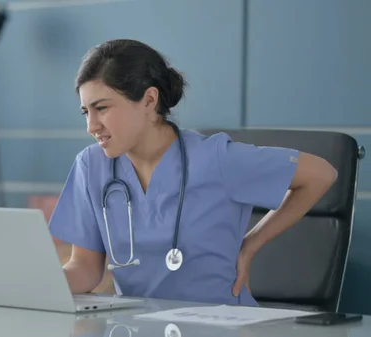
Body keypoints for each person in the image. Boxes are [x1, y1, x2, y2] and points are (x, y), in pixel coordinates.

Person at [48, 39, 338, 306]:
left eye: (102, 108)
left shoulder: (217, 159)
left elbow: (321, 175)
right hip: (137, 326)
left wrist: (251, 244)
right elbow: (85, 269)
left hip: (221, 325)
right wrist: (30, 286)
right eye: (86, 112)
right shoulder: (91, 166)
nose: (91, 126)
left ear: (149, 100)